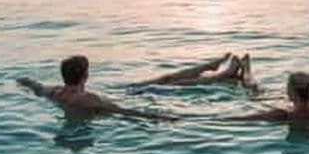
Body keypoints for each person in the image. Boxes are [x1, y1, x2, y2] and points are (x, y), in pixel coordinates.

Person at [17, 55, 171, 120]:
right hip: (83, 124)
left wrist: (22, 80)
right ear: (85, 77)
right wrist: (159, 117)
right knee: (142, 88)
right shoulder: (89, 99)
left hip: (71, 121)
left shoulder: (53, 92)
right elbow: (124, 112)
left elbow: (33, 85)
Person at [132, 52, 259, 90]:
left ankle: (209, 66)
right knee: (170, 84)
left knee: (164, 80)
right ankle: (222, 74)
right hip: (126, 95)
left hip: (125, 92)